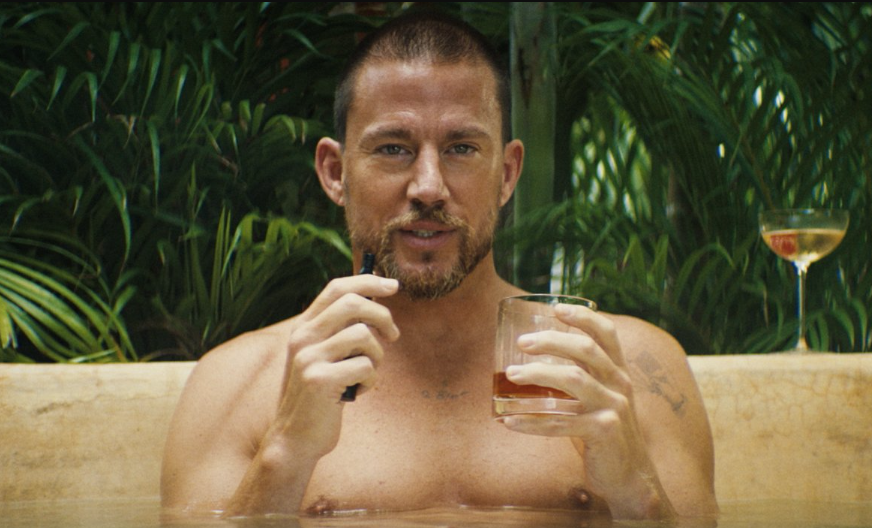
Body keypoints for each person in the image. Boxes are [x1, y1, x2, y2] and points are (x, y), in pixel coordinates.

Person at [160, 10, 718, 521]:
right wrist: (284, 453)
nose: (428, 187)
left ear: (507, 174)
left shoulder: (624, 372)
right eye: (393, 148)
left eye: (461, 148)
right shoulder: (238, 384)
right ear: (334, 172)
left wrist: (636, 491)